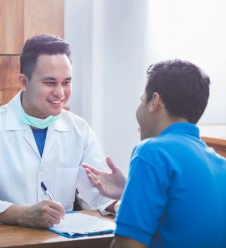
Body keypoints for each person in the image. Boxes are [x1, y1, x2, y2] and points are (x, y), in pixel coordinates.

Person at [0, 34, 116, 228]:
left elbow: (96, 197)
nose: (60, 93)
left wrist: (119, 202)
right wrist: (22, 214)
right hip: (8, 240)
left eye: (66, 82)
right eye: (50, 83)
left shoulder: (80, 131)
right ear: (24, 82)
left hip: (62, 240)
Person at [83, 59, 226, 247]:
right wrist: (129, 191)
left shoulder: (151, 152)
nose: (139, 109)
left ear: (154, 102)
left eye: (142, 100)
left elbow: (128, 245)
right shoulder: (220, 163)